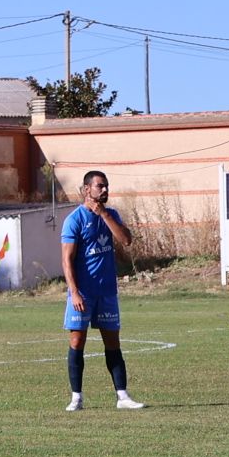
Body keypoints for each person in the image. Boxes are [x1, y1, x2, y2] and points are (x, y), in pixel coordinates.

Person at [61, 170, 145, 411]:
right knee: (77, 341)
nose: (105, 190)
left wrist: (104, 215)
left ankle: (123, 397)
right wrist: (74, 292)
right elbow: (67, 259)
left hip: (107, 292)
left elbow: (126, 240)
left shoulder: (111, 214)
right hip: (83, 294)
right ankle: (76, 397)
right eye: (100, 186)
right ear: (87, 189)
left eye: (106, 186)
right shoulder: (74, 219)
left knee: (113, 343)